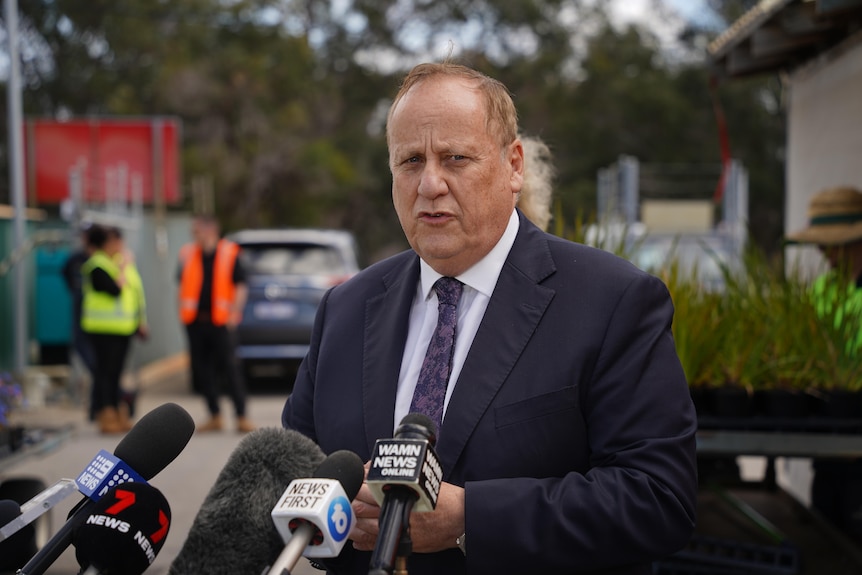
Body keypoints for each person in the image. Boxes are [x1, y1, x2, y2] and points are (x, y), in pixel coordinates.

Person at [282, 62, 697, 574]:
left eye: (455, 158)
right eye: (410, 161)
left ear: (514, 165)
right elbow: (292, 471)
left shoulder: (612, 301)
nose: (430, 183)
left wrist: (469, 519)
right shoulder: (345, 310)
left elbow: (658, 498)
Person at [785, 185, 862, 542]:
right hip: (831, 433)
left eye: (831, 243)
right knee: (827, 526)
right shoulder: (824, 288)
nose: (822, 250)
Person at [177, 214, 255, 433]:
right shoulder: (188, 253)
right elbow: (181, 285)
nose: (194, 235)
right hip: (195, 322)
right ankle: (214, 415)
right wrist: (181, 315)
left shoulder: (229, 253)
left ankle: (241, 416)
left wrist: (233, 314)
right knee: (202, 370)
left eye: (197, 230)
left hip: (221, 322)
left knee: (231, 369)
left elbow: (240, 286)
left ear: (210, 229)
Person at [80, 225, 148, 434]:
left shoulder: (122, 264)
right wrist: (122, 267)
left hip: (123, 329)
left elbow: (136, 294)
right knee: (105, 373)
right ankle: (105, 413)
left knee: (116, 373)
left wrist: (141, 322)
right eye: (113, 243)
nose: (118, 247)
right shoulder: (97, 265)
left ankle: (119, 413)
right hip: (102, 330)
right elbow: (115, 290)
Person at [61, 223, 98, 419]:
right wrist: (75, 290)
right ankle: (98, 408)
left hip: (98, 323)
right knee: (94, 365)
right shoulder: (77, 259)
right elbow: (65, 271)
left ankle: (103, 407)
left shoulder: (99, 260)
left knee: (98, 367)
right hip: (83, 318)